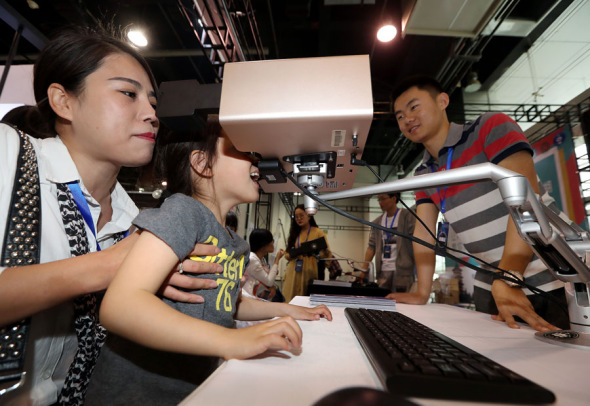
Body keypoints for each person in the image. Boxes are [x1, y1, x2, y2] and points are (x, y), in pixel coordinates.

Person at [0, 27, 221, 406]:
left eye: (152, 101)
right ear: (63, 101)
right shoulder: (8, 155)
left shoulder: (132, 218)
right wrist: (114, 265)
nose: (152, 114)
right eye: (127, 93)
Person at [84, 117, 333, 405]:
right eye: (243, 149)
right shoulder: (183, 212)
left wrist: (289, 309)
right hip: (135, 394)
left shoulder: (233, 241)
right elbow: (120, 306)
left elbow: (229, 302)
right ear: (203, 164)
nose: (257, 159)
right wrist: (231, 341)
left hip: (190, 389)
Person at [387, 74, 569, 331]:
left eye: (414, 107)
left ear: (442, 101)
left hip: (554, 276)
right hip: (495, 283)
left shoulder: (489, 127)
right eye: (400, 116)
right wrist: (422, 291)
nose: (407, 119)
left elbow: (526, 202)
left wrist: (510, 275)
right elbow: (424, 234)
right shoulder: (423, 173)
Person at [363, 193, 416, 293]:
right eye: (379, 199)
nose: (380, 202)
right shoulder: (377, 222)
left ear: (394, 198)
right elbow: (371, 247)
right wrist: (364, 269)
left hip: (403, 271)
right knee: (383, 301)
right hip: (383, 271)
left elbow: (416, 242)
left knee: (402, 303)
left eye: (383, 199)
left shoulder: (407, 216)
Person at [282, 205, 332, 302]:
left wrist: (322, 251)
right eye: (296, 217)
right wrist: (295, 253)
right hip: (294, 270)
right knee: (290, 298)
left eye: (301, 215)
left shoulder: (317, 232)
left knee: (306, 298)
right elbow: (286, 255)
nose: (299, 219)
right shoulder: (294, 233)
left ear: (309, 216)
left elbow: (327, 255)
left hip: (309, 269)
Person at [243, 228, 285, 302]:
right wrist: (277, 259)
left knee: (277, 292)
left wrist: (272, 286)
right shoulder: (252, 259)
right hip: (248, 297)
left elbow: (266, 279)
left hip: (257, 292)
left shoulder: (261, 259)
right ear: (263, 246)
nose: (273, 243)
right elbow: (269, 281)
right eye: (271, 241)